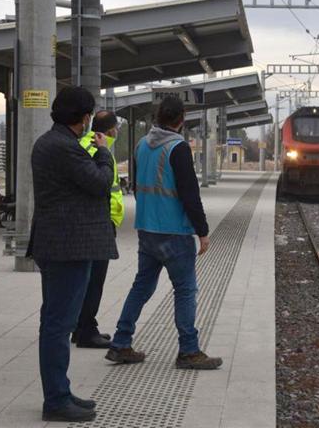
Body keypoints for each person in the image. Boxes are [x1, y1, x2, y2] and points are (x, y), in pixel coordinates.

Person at [105, 95, 221, 370]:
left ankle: (121, 343)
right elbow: (190, 194)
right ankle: (188, 351)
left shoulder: (142, 145)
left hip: (146, 228)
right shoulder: (178, 148)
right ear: (181, 120)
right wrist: (202, 231)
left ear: (158, 118)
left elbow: (135, 182)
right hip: (174, 232)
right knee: (185, 290)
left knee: (141, 287)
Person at [29, 87, 118, 422]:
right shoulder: (64, 147)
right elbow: (100, 183)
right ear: (84, 118)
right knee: (57, 325)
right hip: (66, 247)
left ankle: (61, 391)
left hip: (59, 245)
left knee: (56, 322)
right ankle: (55, 400)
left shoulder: (50, 143)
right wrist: (104, 153)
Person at [72, 110, 124, 349]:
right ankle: (85, 330)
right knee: (94, 280)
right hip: (98, 223)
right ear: (111, 129)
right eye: (117, 127)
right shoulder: (95, 148)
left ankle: (82, 326)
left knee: (89, 278)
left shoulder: (91, 145)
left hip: (99, 222)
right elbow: (96, 184)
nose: (119, 131)